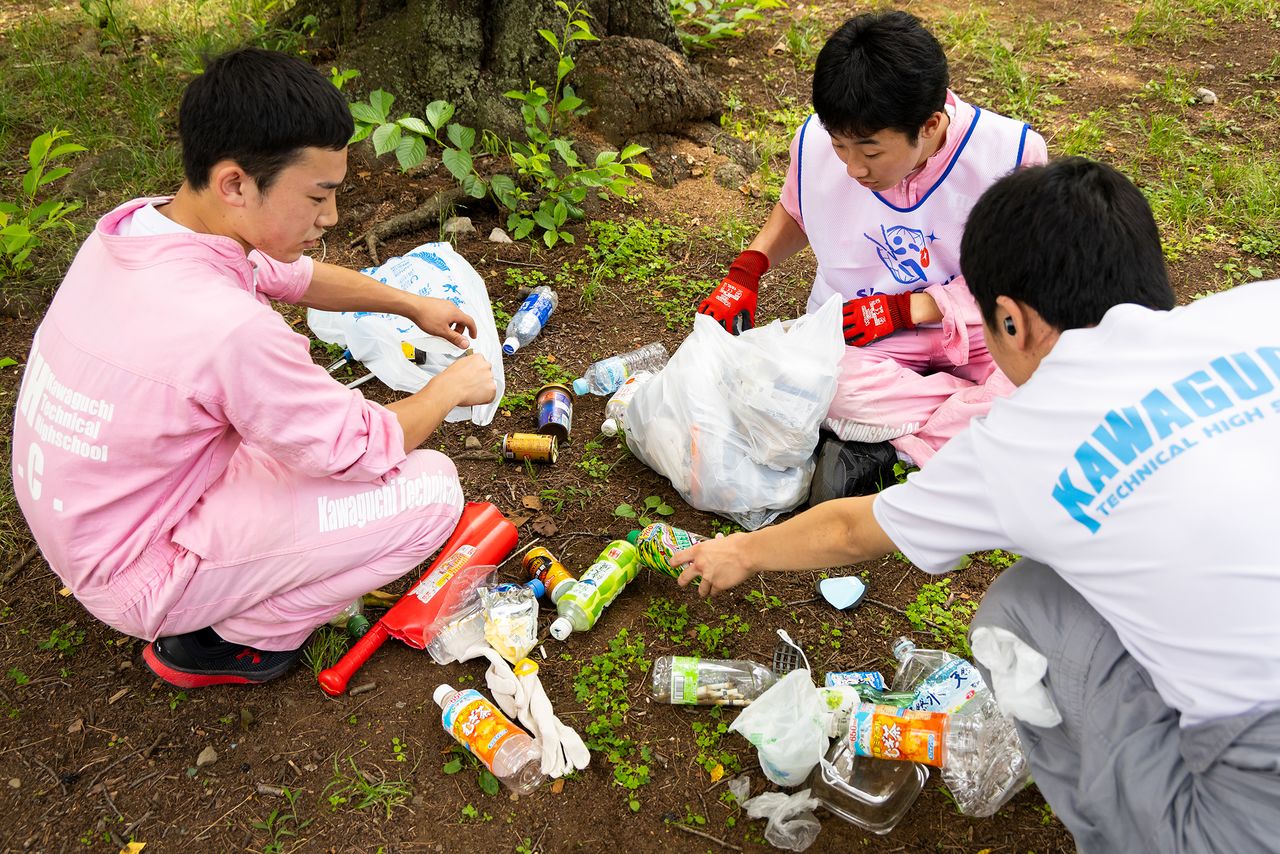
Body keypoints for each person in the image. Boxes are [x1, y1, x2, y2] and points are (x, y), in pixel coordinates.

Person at [675, 158, 1280, 852]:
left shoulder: (1026, 440)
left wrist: (742, 551)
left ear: (1012, 321)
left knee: (1020, 611)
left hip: (1255, 785)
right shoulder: (1258, 311)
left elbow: (850, 530)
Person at [10, 48, 498, 688]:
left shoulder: (140, 230)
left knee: (281, 432)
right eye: (318, 196)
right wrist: (450, 387)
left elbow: (294, 276)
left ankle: (232, 587)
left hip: (83, 515)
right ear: (236, 184)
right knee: (432, 492)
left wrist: (409, 303)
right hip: (136, 570)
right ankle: (233, 640)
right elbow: (360, 447)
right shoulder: (228, 328)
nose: (330, 218)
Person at [696, 10, 1047, 502]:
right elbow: (799, 210)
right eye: (840, 146)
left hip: (981, 333)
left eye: (871, 152)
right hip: (866, 334)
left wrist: (907, 308)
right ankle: (967, 421)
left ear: (929, 125)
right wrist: (748, 269)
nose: (853, 168)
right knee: (809, 383)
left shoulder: (1009, 154)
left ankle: (888, 441)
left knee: (1048, 368)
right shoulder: (816, 142)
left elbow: (1022, 278)